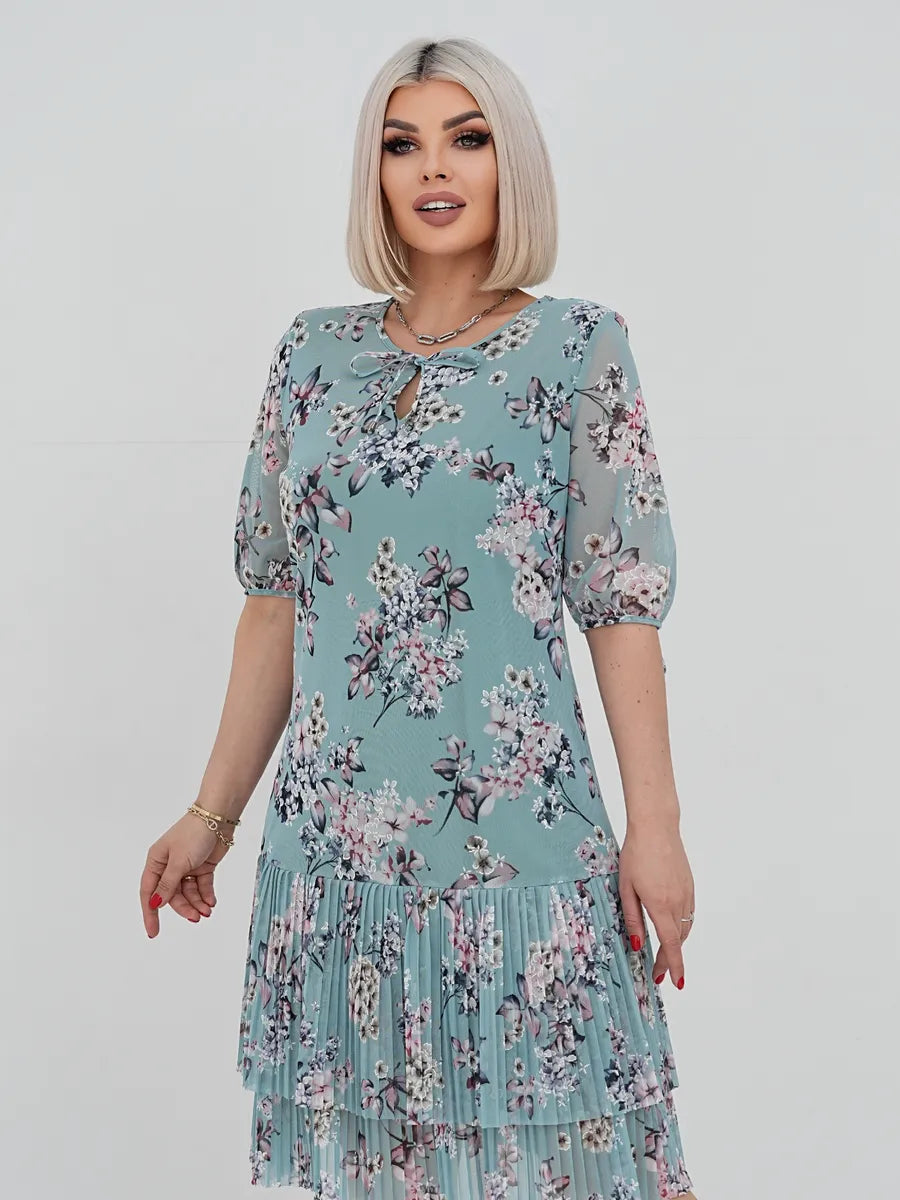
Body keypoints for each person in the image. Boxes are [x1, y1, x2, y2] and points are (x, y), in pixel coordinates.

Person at [140, 35, 700, 1200]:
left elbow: (619, 605)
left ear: (511, 163)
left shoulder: (577, 347)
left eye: (467, 138)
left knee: (583, 1164)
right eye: (403, 144)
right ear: (376, 173)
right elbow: (277, 599)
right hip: (337, 861)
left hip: (521, 854)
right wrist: (210, 814)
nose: (434, 168)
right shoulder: (312, 352)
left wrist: (656, 829)